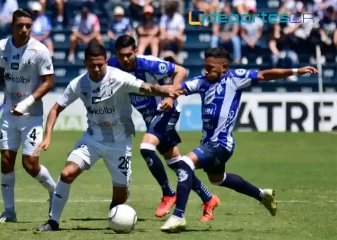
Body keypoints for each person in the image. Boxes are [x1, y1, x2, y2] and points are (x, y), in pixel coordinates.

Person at [160, 47, 319, 232]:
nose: (206, 70)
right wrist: (170, 96)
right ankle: (261, 195)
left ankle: (178, 216)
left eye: (211, 67)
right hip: (208, 143)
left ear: (224, 67)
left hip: (220, 144)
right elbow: (178, 89)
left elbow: (264, 74)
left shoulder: (234, 78)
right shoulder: (202, 82)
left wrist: (295, 71)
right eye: (205, 66)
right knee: (217, 179)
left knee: (185, 163)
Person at [35, 42, 183, 231]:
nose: (96, 69)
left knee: (119, 196)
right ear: (85, 63)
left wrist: (166, 90)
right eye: (91, 65)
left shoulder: (119, 77)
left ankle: (117, 209)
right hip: (92, 139)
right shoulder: (79, 84)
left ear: (106, 61)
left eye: (100, 64)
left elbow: (146, 87)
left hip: (120, 143)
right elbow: (56, 108)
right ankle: (53, 222)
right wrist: (48, 136)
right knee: (67, 173)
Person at [108, 35, 219, 220]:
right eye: (122, 55)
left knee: (146, 148)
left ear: (135, 51)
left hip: (166, 110)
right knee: (176, 163)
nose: (126, 59)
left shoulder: (149, 64)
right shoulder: (112, 65)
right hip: (149, 117)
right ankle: (208, 198)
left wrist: (170, 97)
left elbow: (181, 71)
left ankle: (168, 193)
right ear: (116, 54)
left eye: (129, 54)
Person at [0, 8, 57, 223]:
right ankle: (9, 212)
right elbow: (3, 70)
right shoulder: (2, 46)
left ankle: (55, 191)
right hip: (8, 113)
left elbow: (49, 81)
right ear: (12, 26)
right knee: (6, 161)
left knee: (30, 164)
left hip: (32, 115)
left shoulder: (40, 50)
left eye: (28, 26)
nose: (24, 29)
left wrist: (27, 103)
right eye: (20, 25)